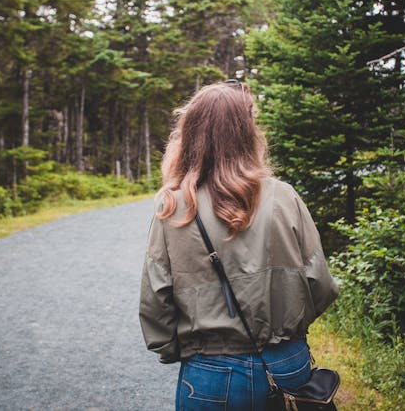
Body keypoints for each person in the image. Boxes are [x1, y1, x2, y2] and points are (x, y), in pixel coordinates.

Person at [139, 80, 338, 410]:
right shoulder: (283, 196)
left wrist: (173, 348)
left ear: (190, 133)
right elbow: (322, 284)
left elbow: (155, 300)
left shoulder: (172, 207)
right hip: (286, 365)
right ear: (247, 131)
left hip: (209, 371)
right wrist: (285, 330)